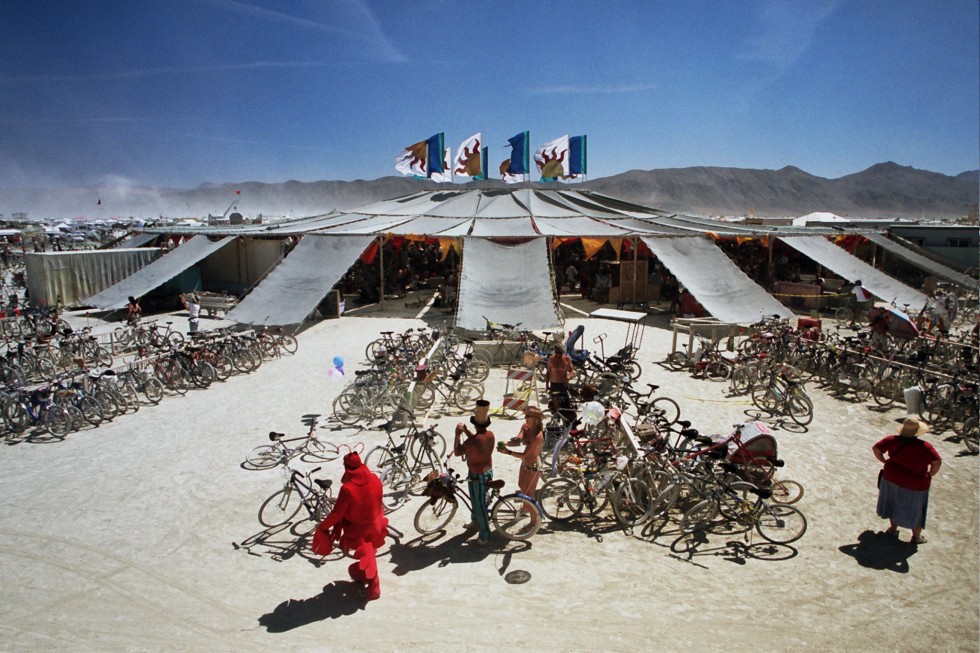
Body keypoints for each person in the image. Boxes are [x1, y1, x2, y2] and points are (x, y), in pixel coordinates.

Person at [311, 450, 388, 601]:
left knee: (368, 556)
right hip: (375, 521)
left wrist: (323, 527)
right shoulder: (374, 479)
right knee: (369, 553)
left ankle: (374, 589)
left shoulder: (347, 489)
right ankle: (369, 581)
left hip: (359, 528)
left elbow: (337, 513)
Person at [872, 416, 942, 544]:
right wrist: (931, 474)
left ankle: (893, 530)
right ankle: (916, 537)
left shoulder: (892, 440)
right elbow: (937, 461)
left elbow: (876, 449)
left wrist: (884, 461)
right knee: (916, 509)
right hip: (915, 483)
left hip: (891, 477)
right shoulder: (925, 447)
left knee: (892, 502)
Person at [453, 400, 495, 545]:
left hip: (477, 475)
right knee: (478, 500)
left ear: (475, 425)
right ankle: (475, 522)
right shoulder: (490, 435)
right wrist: (466, 431)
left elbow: (458, 452)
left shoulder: (472, 442)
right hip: (488, 470)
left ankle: (485, 534)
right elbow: (477, 439)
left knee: (479, 504)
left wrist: (457, 434)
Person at [498, 406, 545, 518]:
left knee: (530, 495)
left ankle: (534, 521)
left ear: (535, 418)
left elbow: (524, 454)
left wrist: (507, 452)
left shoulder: (538, 436)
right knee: (521, 486)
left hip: (533, 465)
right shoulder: (525, 427)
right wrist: (506, 443)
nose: (525, 418)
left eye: (528, 416)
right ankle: (525, 508)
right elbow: (518, 440)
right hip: (525, 463)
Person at [545, 344, 574, 417]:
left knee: (566, 403)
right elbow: (548, 372)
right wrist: (547, 385)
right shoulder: (551, 360)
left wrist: (568, 377)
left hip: (563, 384)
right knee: (554, 404)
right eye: (558, 354)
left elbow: (571, 370)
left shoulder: (567, 359)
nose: (560, 355)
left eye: (561, 353)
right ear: (555, 353)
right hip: (554, 384)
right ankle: (556, 417)